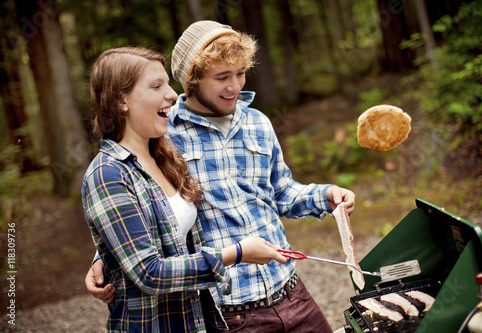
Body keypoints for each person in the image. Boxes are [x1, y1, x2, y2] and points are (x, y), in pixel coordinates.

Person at [87, 21, 356, 332]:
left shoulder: (257, 122)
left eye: (240, 73)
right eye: (222, 77)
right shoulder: (160, 132)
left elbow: (281, 191)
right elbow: (144, 211)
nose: (235, 86)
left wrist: (325, 196)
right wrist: (101, 258)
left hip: (291, 292)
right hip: (230, 311)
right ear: (193, 79)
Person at [82, 46, 288, 333]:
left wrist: (104, 256)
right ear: (121, 101)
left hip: (194, 321)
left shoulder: (163, 155)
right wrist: (236, 254)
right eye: (156, 86)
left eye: (168, 83)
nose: (170, 94)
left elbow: (158, 229)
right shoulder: (107, 173)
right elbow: (148, 273)